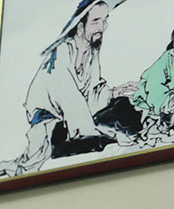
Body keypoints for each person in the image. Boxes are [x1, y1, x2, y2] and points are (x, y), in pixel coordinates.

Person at [8, 0, 143, 172]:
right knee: (89, 139)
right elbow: (69, 96)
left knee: (122, 105)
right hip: (50, 120)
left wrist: (113, 93)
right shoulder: (63, 51)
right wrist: (89, 131)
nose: (102, 27)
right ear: (80, 27)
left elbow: (93, 90)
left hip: (78, 116)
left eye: (105, 20)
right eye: (96, 21)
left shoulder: (91, 50)